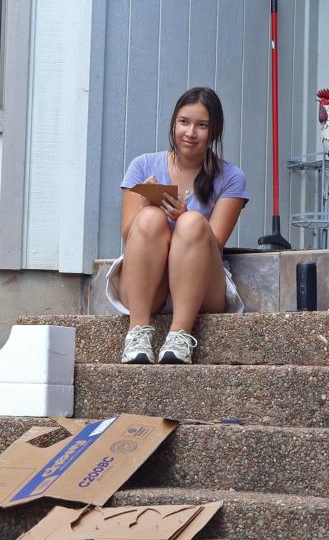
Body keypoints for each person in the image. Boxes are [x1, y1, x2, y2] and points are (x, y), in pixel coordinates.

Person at [106, 87, 249, 365]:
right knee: (148, 219)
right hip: (149, 284)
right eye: (184, 122)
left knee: (192, 222)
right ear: (173, 123)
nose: (190, 132)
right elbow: (128, 235)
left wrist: (184, 215)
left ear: (214, 131)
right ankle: (137, 333)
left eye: (202, 125)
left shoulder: (231, 176)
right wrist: (145, 203)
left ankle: (180, 335)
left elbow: (216, 241)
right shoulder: (143, 166)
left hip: (202, 284)